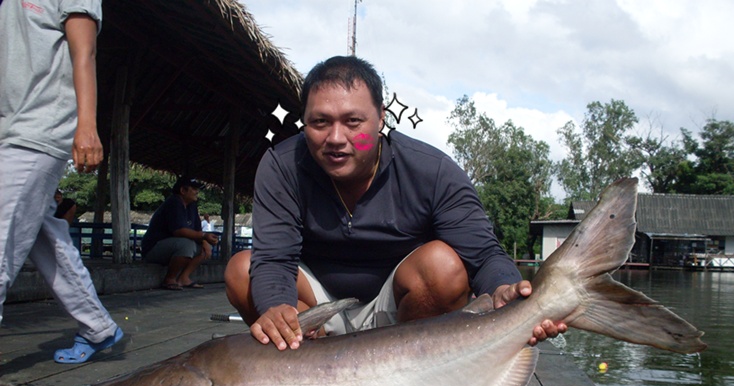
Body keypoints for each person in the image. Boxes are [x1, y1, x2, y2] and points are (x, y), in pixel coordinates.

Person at [225, 56, 566, 351]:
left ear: (381, 120)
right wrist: (276, 307)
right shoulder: (282, 166)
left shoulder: (431, 170)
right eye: (320, 122)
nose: (336, 138)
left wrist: (505, 288)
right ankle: (310, 374)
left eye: (353, 122)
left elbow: (483, 255)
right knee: (242, 270)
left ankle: (408, 376)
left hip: (401, 313)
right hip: (315, 309)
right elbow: (274, 258)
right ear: (305, 122)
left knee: (443, 266)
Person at [0, 0, 123, 364]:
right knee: (43, 236)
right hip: (11, 127)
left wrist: (87, 125)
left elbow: (84, 52)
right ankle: (97, 326)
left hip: (38, 129)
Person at [142, 177, 219, 290]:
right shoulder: (174, 202)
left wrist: (204, 242)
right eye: (193, 189)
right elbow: (179, 231)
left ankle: (184, 278)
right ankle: (169, 279)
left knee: (202, 249)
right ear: (183, 191)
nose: (197, 192)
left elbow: (197, 230)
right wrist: (204, 236)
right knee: (186, 245)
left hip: (173, 247)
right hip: (154, 248)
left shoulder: (192, 206)